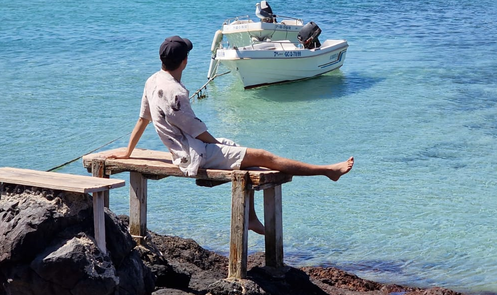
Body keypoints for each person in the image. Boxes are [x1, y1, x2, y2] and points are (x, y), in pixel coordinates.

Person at [108, 35, 354, 234]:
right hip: (194, 154)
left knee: (248, 158)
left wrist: (128, 152)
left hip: (185, 150)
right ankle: (327, 171)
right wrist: (218, 145)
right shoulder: (176, 93)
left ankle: (251, 218)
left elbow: (143, 119)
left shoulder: (152, 81)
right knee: (264, 156)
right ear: (184, 62)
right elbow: (200, 132)